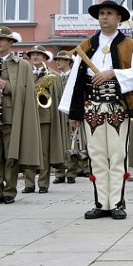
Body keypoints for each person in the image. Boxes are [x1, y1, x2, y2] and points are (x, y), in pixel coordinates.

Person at [58, 0, 133, 220]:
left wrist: (113, 73)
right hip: (92, 108)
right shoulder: (86, 45)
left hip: (118, 107)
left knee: (117, 155)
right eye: (102, 14)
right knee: (96, 155)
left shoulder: (131, 45)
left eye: (109, 13)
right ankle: (101, 203)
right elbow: (76, 81)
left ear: (119, 18)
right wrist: (74, 113)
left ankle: (117, 203)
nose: (105, 17)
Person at [0, 26, 41, 205]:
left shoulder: (22, 65)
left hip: (11, 116)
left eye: (1, 39)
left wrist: (7, 87)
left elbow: (27, 91)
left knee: (10, 156)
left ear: (11, 42)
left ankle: (9, 191)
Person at [22, 46, 67, 194]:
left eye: (38, 55)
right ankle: (28, 183)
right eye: (32, 54)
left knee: (44, 153)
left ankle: (43, 183)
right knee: (28, 151)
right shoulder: (24, 73)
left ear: (44, 58)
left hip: (45, 118)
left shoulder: (53, 75)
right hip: (27, 117)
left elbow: (57, 97)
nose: (35, 57)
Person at [52, 50, 84, 184]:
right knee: (59, 143)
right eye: (57, 59)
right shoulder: (55, 77)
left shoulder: (75, 77)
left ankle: (71, 172)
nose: (57, 62)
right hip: (58, 114)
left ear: (69, 62)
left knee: (73, 143)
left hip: (72, 113)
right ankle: (60, 172)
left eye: (61, 60)